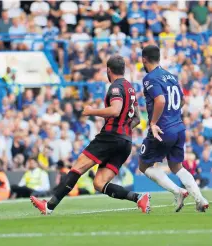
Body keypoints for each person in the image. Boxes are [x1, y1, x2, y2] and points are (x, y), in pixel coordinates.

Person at [31, 55, 150, 215]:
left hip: (110, 137)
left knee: (77, 168)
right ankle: (139, 198)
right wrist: (123, 128)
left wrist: (91, 111)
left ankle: (49, 206)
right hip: (126, 142)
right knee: (99, 183)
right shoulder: (130, 88)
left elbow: (115, 110)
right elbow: (136, 117)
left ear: (109, 70)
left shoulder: (116, 87)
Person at [138, 45, 209, 212]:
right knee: (177, 166)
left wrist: (154, 123)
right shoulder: (171, 76)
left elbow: (160, 100)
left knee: (143, 165)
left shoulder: (149, 78)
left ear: (143, 59)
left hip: (163, 129)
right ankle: (200, 199)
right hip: (179, 128)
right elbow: (182, 100)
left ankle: (178, 192)